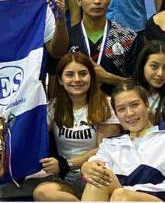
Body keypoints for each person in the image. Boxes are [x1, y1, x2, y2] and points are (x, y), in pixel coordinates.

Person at [81, 80, 165, 201]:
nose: (130, 113)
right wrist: (88, 167)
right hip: (118, 197)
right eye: (121, 109)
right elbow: (97, 164)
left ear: (147, 105)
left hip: (159, 199)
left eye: (135, 105)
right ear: (116, 114)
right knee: (99, 178)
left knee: (122, 196)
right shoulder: (110, 144)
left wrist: (129, 191)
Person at [33, 51, 122, 201]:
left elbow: (105, 148)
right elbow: (36, 137)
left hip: (96, 174)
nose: (77, 79)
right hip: (66, 177)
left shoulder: (106, 105)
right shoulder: (54, 106)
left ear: (91, 77)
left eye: (82, 74)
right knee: (42, 192)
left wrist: (67, 164)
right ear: (60, 80)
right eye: (69, 75)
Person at [69, 0, 143, 89]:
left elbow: (139, 86)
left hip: (117, 106)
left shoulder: (128, 38)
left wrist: (110, 79)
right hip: (76, 106)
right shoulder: (67, 38)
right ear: (79, 0)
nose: (97, 1)